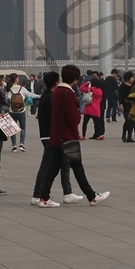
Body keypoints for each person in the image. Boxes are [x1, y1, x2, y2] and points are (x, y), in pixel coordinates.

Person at [31, 65, 109, 207]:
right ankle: (91, 196)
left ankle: (44, 197)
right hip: (66, 136)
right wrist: (76, 132)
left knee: (54, 168)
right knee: (76, 166)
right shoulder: (67, 93)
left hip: (57, 136)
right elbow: (72, 117)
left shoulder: (56, 92)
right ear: (75, 78)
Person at [32, 72, 80, 201]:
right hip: (50, 136)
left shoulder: (46, 96)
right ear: (56, 82)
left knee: (65, 164)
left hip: (48, 135)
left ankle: (68, 193)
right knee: (47, 166)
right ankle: (37, 195)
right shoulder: (51, 98)